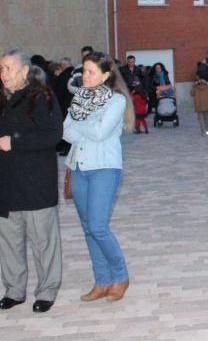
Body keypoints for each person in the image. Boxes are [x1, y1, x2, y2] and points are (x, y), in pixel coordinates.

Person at [63, 53, 132, 303]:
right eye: (84, 71)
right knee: (87, 228)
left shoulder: (116, 101)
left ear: (106, 75)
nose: (85, 76)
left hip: (104, 167)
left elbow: (101, 133)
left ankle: (121, 276)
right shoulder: (79, 98)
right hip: (79, 166)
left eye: (91, 71)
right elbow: (65, 132)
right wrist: (87, 125)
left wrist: (82, 123)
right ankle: (102, 280)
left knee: (98, 226)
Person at [0, 49, 64, 313]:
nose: (3, 74)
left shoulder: (42, 96)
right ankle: (14, 290)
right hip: (6, 183)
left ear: (25, 71)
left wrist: (14, 142)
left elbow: (53, 135)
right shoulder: (2, 98)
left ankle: (46, 291)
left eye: (8, 68)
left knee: (43, 241)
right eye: (1, 69)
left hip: (36, 182)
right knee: (9, 241)